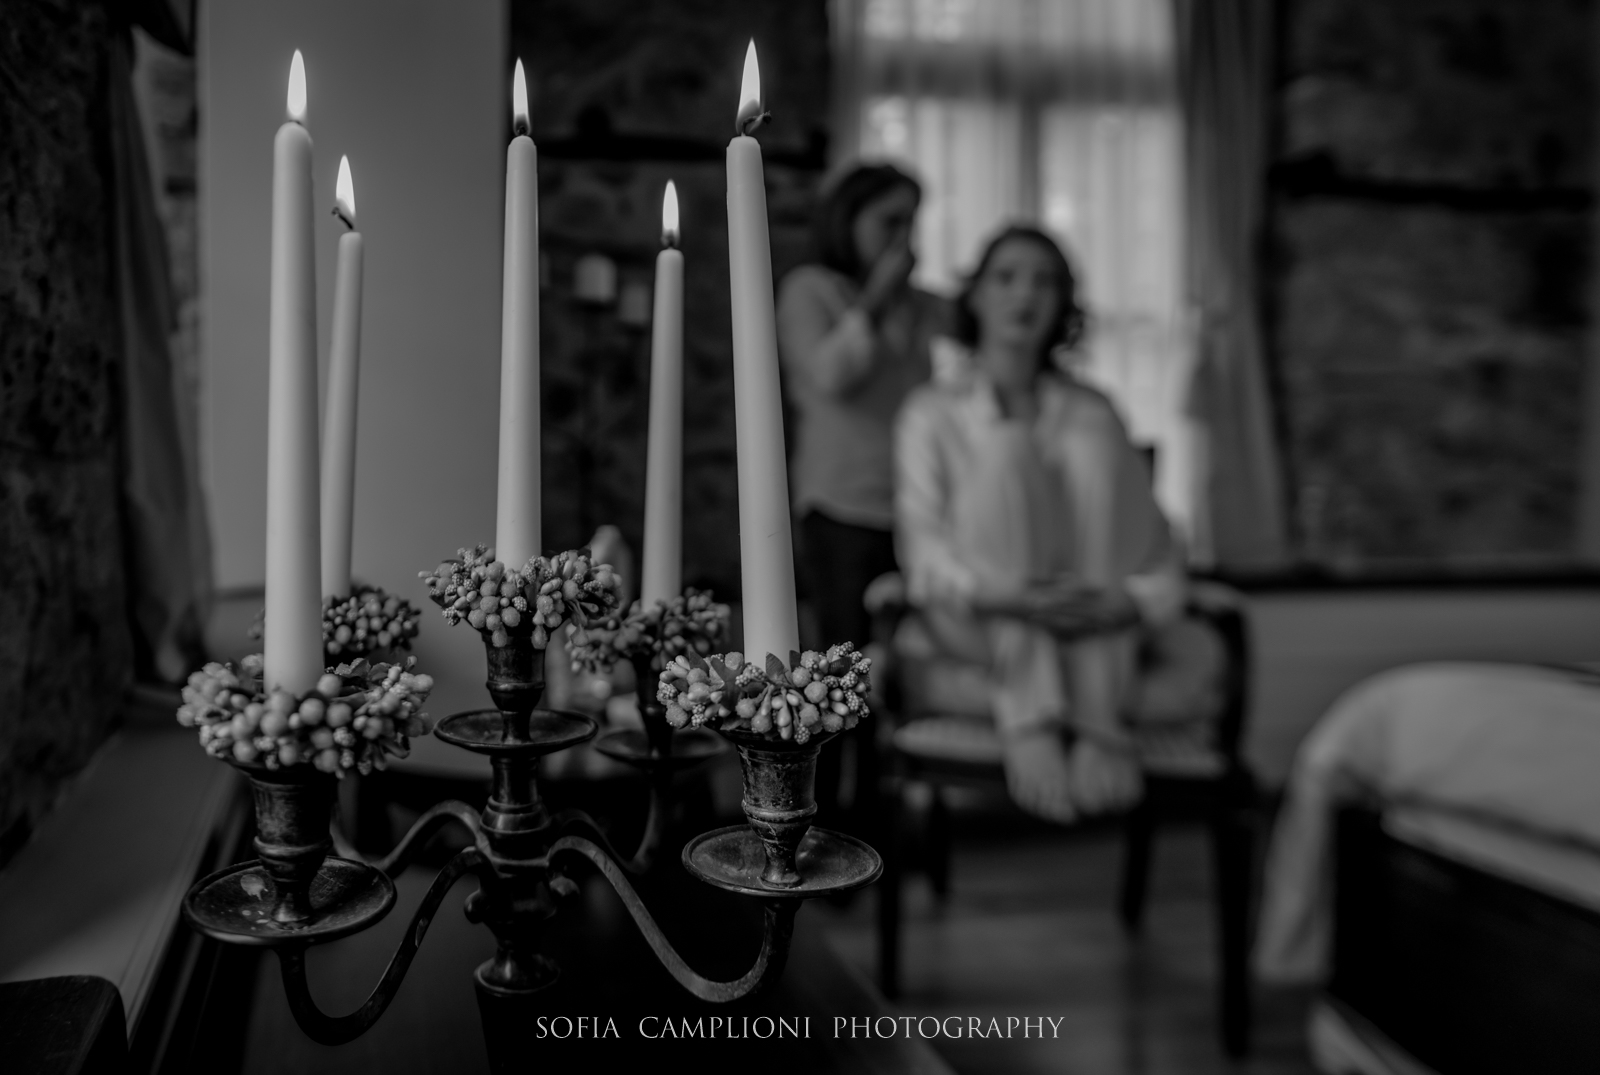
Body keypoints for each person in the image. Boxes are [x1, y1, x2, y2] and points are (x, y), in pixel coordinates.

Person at [894, 226, 1196, 823]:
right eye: (1006, 277)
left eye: (1045, 281)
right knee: (1007, 449)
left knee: (1090, 440)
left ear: (1063, 304)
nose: (1025, 294)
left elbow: (1158, 544)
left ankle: (1093, 714)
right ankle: (1038, 718)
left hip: (1090, 610)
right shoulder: (930, 412)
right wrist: (1005, 594)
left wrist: (1132, 600)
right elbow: (923, 551)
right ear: (975, 295)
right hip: (984, 612)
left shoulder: (1093, 410)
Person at [777, 163, 950, 657]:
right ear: (848, 219)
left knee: (911, 654)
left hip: (915, 501)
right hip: (842, 503)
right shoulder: (809, 289)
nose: (904, 238)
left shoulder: (918, 303)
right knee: (847, 658)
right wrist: (875, 299)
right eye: (890, 221)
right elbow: (830, 375)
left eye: (911, 223)